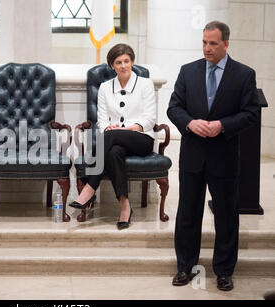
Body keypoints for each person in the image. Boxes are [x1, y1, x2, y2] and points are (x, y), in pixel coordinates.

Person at [167, 21, 259, 291]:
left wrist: (222, 125)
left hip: (225, 156)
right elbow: (174, 107)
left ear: (226, 44)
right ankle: (185, 267)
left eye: (213, 43)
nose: (207, 48)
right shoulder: (188, 71)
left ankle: (224, 271)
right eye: (204, 43)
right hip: (193, 155)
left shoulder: (244, 74)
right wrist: (189, 123)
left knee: (227, 216)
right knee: (187, 213)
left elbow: (251, 113)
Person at [69, 43, 156, 230]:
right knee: (113, 151)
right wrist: (111, 128)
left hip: (141, 137)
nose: (123, 65)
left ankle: (90, 188)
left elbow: (150, 118)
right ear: (112, 66)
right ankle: (125, 207)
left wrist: (129, 128)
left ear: (132, 62)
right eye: (118, 62)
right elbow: (101, 121)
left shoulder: (145, 84)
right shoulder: (105, 87)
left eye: (126, 61)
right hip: (114, 140)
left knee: (110, 139)